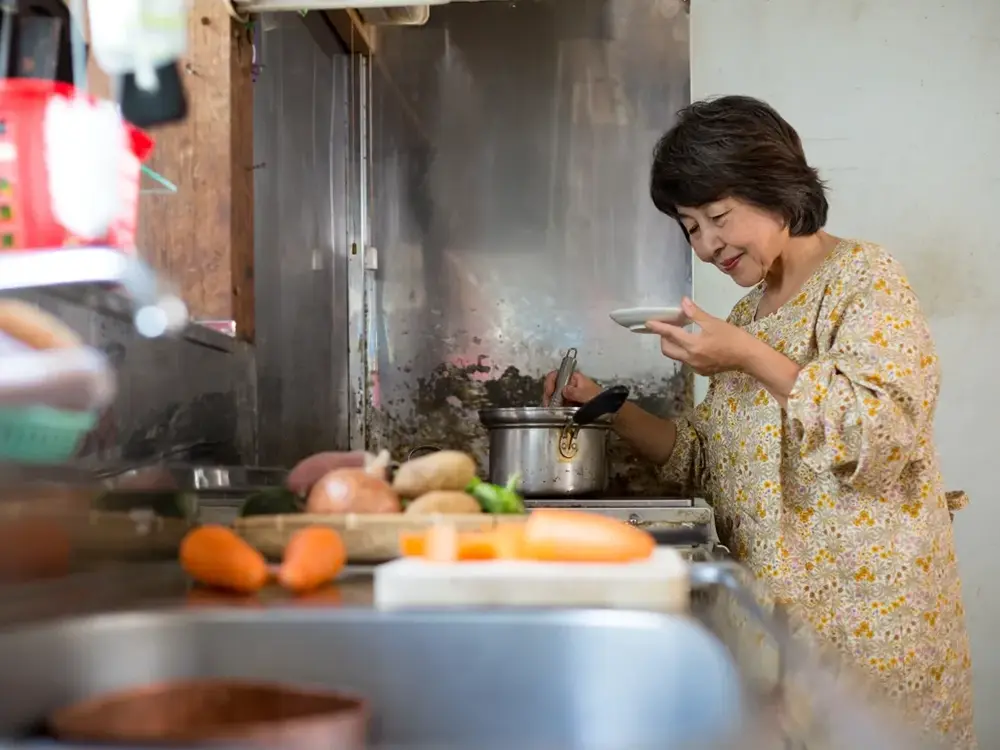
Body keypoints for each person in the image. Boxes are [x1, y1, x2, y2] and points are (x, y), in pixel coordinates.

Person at [544, 95, 975, 747]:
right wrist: (600, 402)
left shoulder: (863, 280)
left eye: (718, 215)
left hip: (868, 641)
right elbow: (702, 459)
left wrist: (744, 355)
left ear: (778, 190)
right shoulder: (745, 319)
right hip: (776, 645)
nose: (708, 243)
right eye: (690, 226)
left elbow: (876, 432)